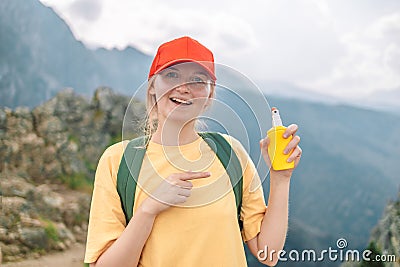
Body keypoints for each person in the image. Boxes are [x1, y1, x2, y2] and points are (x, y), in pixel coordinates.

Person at [84, 36, 302, 267]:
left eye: (198, 80)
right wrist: (148, 210)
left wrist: (280, 179)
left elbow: (267, 254)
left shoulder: (230, 154)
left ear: (209, 95)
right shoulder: (118, 162)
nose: (184, 88)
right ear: (152, 88)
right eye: (172, 75)